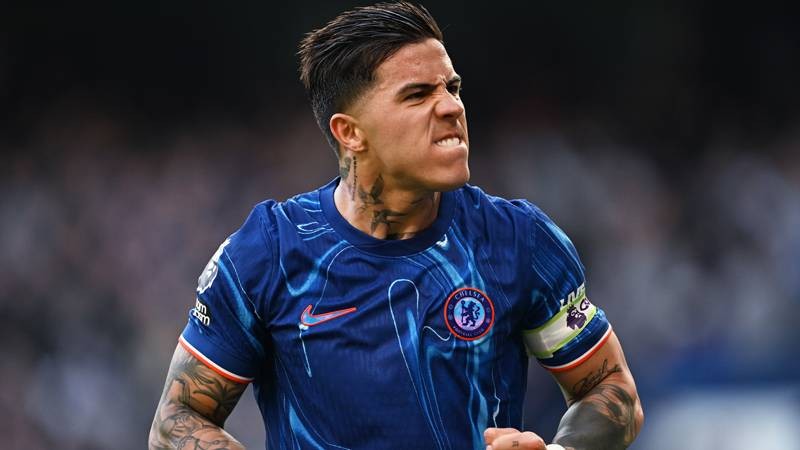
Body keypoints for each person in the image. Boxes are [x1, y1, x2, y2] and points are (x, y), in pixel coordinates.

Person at [148, 2, 643, 449]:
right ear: (350, 132)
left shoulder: (517, 239)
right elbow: (177, 419)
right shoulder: (268, 252)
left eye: (452, 88)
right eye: (418, 94)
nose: (451, 106)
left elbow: (609, 387)